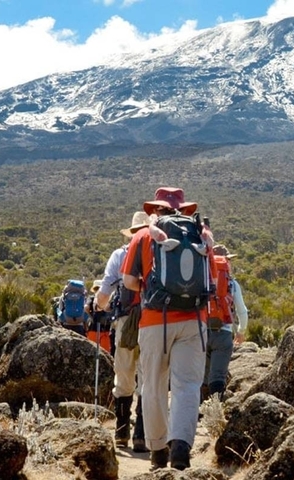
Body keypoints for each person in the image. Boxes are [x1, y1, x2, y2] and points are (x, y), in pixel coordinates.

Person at [122, 187, 211, 471]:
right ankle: (181, 449)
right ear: (183, 209)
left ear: (155, 210)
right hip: (195, 320)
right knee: (187, 385)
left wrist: (150, 288)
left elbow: (128, 281)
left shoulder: (142, 236)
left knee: (153, 385)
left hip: (155, 321)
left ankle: (158, 450)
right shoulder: (199, 233)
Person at [94, 211, 150, 452]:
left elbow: (105, 291)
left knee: (124, 375)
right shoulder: (157, 253)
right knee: (147, 378)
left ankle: (121, 431)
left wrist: (98, 305)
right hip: (153, 322)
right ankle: (141, 435)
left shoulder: (120, 255)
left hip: (125, 322)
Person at [203, 244, 249, 402]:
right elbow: (242, 311)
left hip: (201, 332)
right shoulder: (232, 284)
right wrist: (241, 331)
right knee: (218, 376)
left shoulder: (202, 279)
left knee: (203, 374)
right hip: (224, 334)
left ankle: (199, 413)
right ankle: (216, 411)